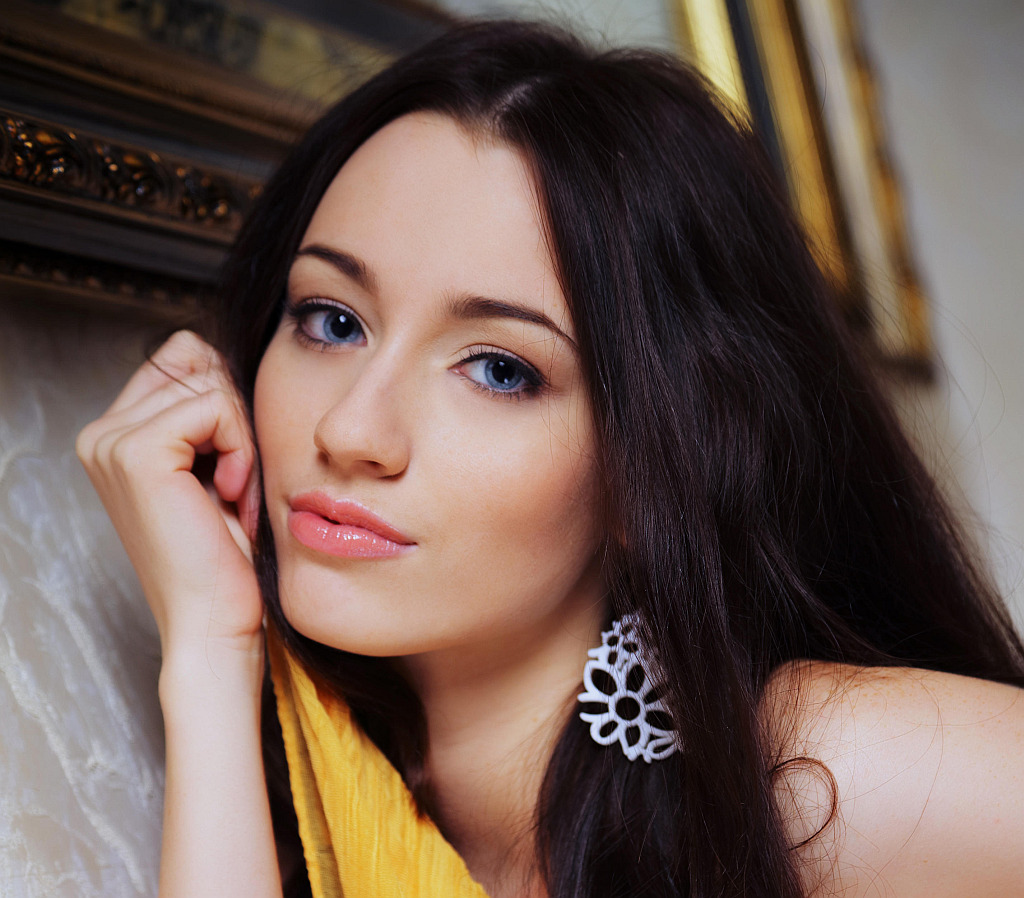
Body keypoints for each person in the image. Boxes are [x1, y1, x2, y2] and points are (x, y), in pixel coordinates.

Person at [76, 19, 1024, 898]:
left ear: (651, 467)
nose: (352, 432)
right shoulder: (332, 793)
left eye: (499, 370)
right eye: (332, 321)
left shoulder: (816, 770)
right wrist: (211, 648)